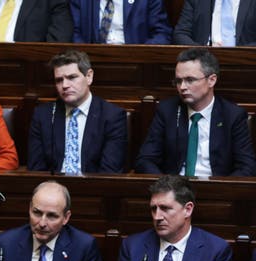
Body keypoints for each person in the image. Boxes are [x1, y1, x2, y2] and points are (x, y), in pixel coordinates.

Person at [135, 48, 256, 177]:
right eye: (178, 81)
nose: (182, 87)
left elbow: (247, 166)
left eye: (190, 80)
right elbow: (145, 160)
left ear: (212, 80)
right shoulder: (167, 111)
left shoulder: (232, 115)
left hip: (217, 189)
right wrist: (167, 188)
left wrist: (223, 189)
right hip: (174, 191)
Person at [27, 50, 127, 173]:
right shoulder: (43, 115)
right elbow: (36, 169)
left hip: (95, 188)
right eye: (59, 80)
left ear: (89, 76)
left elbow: (110, 171)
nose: (64, 85)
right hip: (52, 187)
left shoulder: (112, 116)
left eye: (72, 77)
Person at [70, 0, 172, 44]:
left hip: (136, 62)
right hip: (92, 61)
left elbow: (162, 34)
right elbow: (75, 33)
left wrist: (140, 53)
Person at [174, 0, 256, 46]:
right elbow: (181, 33)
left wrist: (240, 52)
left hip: (245, 61)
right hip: (203, 61)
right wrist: (203, 52)